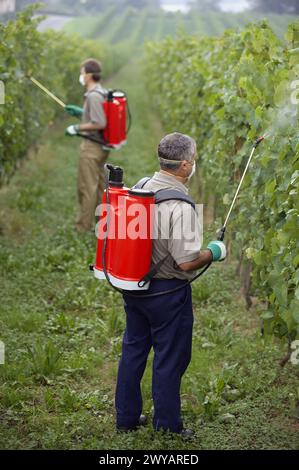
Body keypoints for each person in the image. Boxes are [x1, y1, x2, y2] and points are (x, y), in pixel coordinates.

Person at [115, 132, 227, 438]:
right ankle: (167, 427)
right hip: (167, 294)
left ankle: (125, 418)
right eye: (194, 159)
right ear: (185, 165)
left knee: (134, 350)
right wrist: (214, 252)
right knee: (170, 358)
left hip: (134, 287)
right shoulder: (181, 205)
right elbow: (186, 262)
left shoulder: (140, 187)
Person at [65, 58, 109, 233]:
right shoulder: (100, 92)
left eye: (82, 73)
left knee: (86, 187)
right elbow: (97, 117)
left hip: (92, 148)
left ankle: (83, 228)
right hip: (100, 146)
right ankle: (101, 225)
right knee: (98, 187)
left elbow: (99, 122)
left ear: (89, 75)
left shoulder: (93, 95)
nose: (81, 76)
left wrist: (77, 127)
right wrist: (82, 114)